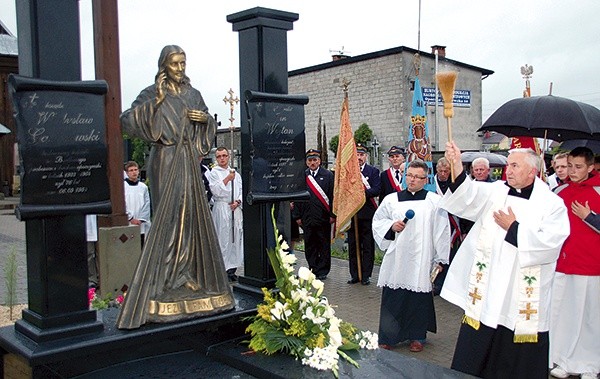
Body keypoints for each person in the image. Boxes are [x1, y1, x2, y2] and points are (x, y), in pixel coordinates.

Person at [116, 45, 234, 329]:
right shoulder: (152, 92)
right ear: (164, 66)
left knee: (190, 216)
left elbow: (207, 125)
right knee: (168, 218)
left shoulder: (194, 94)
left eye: (183, 63)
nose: (180, 69)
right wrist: (154, 104)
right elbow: (127, 120)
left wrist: (205, 121)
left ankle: (185, 273)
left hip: (188, 160)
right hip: (165, 159)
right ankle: (164, 279)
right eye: (175, 64)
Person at [439, 141, 569, 378]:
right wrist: (456, 162)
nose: (507, 170)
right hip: (489, 286)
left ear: (532, 171)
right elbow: (467, 196)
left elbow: (552, 243)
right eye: (507, 165)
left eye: (514, 166)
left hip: (520, 293)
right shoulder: (496, 191)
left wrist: (514, 229)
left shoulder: (552, 204)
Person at [373, 159, 450, 353]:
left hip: (422, 257)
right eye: (410, 175)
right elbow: (378, 221)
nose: (412, 180)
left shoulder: (434, 201)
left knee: (418, 298)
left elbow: (442, 231)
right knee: (394, 297)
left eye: (417, 177)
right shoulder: (391, 199)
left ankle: (417, 337)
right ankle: (388, 336)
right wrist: (391, 226)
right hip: (397, 257)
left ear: (426, 179)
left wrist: (440, 259)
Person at [550, 147, 600, 379]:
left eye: (578, 167)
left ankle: (590, 365)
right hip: (563, 263)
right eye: (570, 165)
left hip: (592, 266)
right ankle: (563, 359)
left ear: (590, 167)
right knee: (564, 316)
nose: (572, 170)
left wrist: (589, 217)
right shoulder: (559, 191)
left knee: (590, 318)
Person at [292, 149, 335, 280]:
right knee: (310, 244)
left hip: (323, 217)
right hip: (307, 217)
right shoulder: (302, 175)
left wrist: (333, 214)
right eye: (310, 160)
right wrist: (297, 216)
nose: (312, 162)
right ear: (306, 162)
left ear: (319, 161)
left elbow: (332, 195)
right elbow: (297, 197)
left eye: (315, 160)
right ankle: (313, 268)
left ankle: (323, 270)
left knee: (323, 244)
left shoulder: (327, 175)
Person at [207, 147, 243, 282]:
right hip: (222, 207)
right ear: (216, 158)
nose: (222, 158)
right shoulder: (214, 173)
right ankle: (222, 270)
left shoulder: (236, 174)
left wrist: (238, 201)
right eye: (219, 156)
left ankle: (232, 269)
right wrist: (228, 178)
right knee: (223, 239)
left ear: (228, 157)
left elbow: (241, 189)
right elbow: (215, 190)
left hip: (235, 208)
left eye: (224, 156)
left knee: (235, 238)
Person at [347, 143, 380, 285]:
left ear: (365, 156)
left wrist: (360, 194)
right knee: (353, 245)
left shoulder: (373, 172)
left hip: (367, 213)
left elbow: (377, 189)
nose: (359, 157)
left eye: (361, 155)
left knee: (367, 245)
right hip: (352, 214)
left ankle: (366, 275)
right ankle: (355, 274)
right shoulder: (348, 172)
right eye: (357, 155)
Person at [432, 157, 463, 295]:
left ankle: (447, 285)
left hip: (452, 224)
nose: (443, 174)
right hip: (436, 223)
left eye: (446, 171)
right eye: (441, 171)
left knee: (450, 256)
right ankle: (435, 283)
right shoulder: (431, 183)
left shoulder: (455, 183)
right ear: (437, 170)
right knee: (437, 254)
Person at [124, 161, 151, 247]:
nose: (134, 172)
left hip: (141, 224)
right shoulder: (123, 186)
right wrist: (131, 218)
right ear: (127, 173)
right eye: (131, 170)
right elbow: (122, 204)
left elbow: (147, 204)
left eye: (135, 170)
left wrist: (141, 219)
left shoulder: (143, 187)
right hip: (128, 223)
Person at [86, 214, 99, 288]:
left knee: (96, 254)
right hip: (86, 226)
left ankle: (95, 279)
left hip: (96, 224)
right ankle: (92, 279)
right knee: (89, 253)